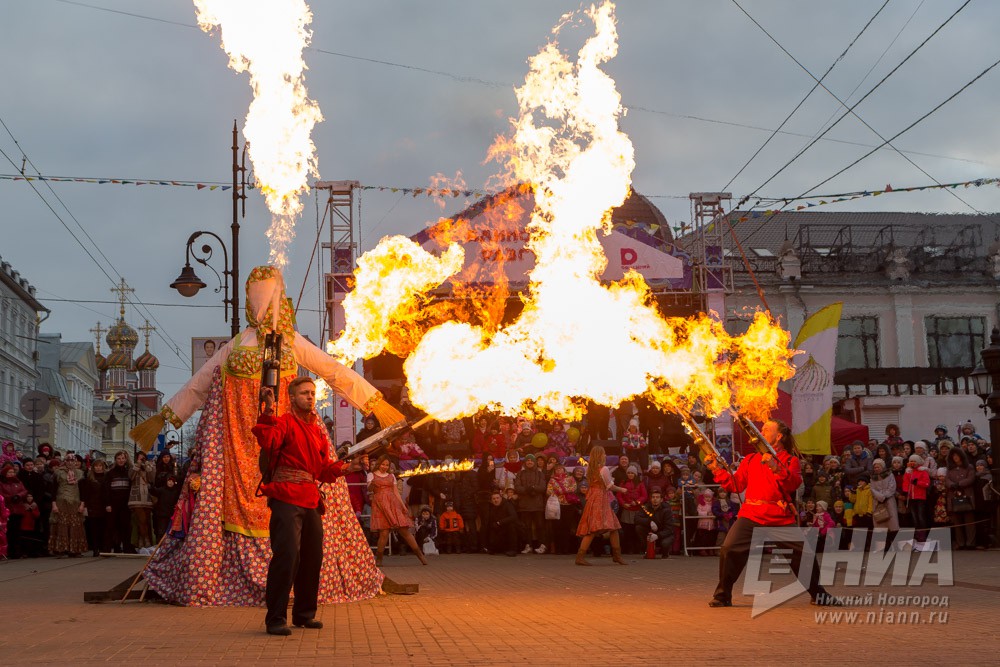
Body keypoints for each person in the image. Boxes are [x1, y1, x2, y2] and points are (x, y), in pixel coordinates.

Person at [133, 265, 397, 606]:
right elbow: (199, 384)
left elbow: (333, 372)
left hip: (284, 435)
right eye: (253, 298)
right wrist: (165, 417)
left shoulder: (290, 343)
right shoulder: (238, 344)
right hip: (237, 437)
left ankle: (301, 590)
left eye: (264, 297)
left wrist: (373, 402)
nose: (259, 306)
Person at [252, 377, 371, 635]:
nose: (309, 396)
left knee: (312, 557)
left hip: (310, 498)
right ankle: (275, 618)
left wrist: (351, 467)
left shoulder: (317, 430)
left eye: (312, 393)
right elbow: (268, 442)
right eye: (304, 393)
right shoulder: (284, 422)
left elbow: (322, 470)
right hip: (286, 496)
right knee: (287, 556)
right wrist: (269, 409)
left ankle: (304, 615)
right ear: (292, 397)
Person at [705, 420, 835, 607]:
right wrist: (716, 469)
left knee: (803, 553)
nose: (761, 430)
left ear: (779, 436)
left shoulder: (791, 460)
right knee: (729, 548)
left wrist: (775, 466)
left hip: (778, 516)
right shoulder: (750, 459)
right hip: (751, 513)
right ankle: (723, 595)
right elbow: (736, 485)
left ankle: (819, 594)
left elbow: (792, 484)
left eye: (767, 428)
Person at [368, 455, 428, 566]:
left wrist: (403, 506)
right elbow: (369, 490)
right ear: (378, 464)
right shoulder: (371, 475)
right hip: (380, 505)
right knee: (384, 533)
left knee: (404, 531)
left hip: (392, 504)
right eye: (383, 464)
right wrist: (372, 484)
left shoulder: (391, 476)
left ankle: (420, 555)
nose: (385, 467)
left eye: (387, 465)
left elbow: (395, 492)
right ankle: (379, 558)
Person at [575, 446, 628, 566]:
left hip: (592, 497)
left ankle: (582, 556)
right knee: (599, 528)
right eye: (604, 453)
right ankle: (616, 556)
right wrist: (622, 490)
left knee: (608, 527)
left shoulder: (590, 469)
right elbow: (610, 486)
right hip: (600, 498)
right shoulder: (603, 469)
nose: (605, 456)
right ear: (600, 455)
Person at [48, 455, 88, 558]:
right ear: (65, 461)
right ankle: (60, 549)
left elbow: (84, 491)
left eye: (72, 460)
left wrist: (82, 504)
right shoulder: (58, 473)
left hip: (75, 503)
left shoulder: (80, 474)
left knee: (76, 526)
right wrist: (54, 504)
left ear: (75, 462)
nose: (70, 462)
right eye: (68, 460)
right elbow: (53, 490)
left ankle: (75, 550)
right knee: (61, 525)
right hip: (61, 502)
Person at [514, 454, 547, 554]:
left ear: (535, 462)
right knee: (526, 526)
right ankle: (528, 545)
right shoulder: (520, 473)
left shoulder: (540, 474)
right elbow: (517, 487)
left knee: (540, 526)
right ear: (525, 462)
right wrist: (528, 490)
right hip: (524, 505)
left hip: (537, 504)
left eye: (531, 461)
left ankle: (542, 545)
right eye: (527, 460)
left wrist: (533, 488)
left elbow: (542, 487)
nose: (529, 462)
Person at [945, 448, 977, 550]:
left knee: (969, 521)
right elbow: (947, 480)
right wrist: (952, 485)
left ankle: (971, 543)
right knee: (957, 522)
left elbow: (971, 478)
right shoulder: (949, 469)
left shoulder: (969, 467)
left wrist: (959, 484)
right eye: (953, 456)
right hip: (954, 497)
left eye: (957, 455)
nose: (955, 457)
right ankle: (960, 543)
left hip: (966, 496)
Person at [616, 464, 648, 555]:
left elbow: (644, 496)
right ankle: (628, 549)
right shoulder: (623, 483)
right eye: (628, 473)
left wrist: (637, 502)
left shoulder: (640, 483)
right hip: (627, 510)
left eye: (632, 473)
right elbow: (619, 495)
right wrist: (623, 504)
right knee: (627, 531)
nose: (630, 474)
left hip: (637, 510)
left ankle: (638, 548)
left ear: (635, 474)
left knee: (636, 531)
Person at [635, 488, 675, 558]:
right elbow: (636, 518)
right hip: (650, 532)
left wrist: (658, 535)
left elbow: (669, 529)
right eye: (653, 497)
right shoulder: (646, 507)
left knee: (665, 543)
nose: (655, 499)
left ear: (661, 499)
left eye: (657, 497)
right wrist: (649, 522)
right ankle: (647, 550)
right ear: (650, 499)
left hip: (664, 534)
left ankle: (665, 553)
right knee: (639, 528)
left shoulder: (667, 510)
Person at [81, 459, 108, 557]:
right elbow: (85, 494)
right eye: (96, 466)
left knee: (103, 528)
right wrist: (85, 506)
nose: (98, 468)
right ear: (93, 468)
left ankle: (103, 548)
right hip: (93, 507)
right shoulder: (89, 479)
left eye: (100, 466)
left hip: (104, 507)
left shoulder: (106, 477)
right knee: (94, 529)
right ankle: (95, 549)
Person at [129, 451, 156, 549]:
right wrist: (137, 465)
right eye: (140, 458)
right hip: (136, 497)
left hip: (147, 497)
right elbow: (130, 477)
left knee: (145, 521)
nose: (141, 460)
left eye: (143, 458)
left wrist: (149, 468)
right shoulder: (133, 467)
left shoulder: (148, 468)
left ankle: (141, 539)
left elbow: (152, 479)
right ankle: (145, 539)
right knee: (141, 519)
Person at [902, 454, 931, 542]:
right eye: (911, 461)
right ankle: (917, 535)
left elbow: (926, 483)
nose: (913, 463)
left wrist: (917, 482)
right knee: (914, 517)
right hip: (911, 498)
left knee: (921, 517)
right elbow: (905, 483)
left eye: (914, 461)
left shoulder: (923, 471)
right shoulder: (908, 472)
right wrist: (906, 491)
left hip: (920, 497)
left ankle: (923, 535)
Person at [483, 490, 519, 556]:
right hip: (500, 530)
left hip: (511, 529)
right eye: (493, 499)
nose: (496, 500)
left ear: (501, 498)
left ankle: (513, 550)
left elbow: (514, 517)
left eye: (497, 498)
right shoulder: (492, 508)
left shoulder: (508, 504)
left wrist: (499, 522)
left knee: (511, 526)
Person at [150, 475, 182, 541]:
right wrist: (151, 486)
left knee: (170, 531)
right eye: (169, 481)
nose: (170, 483)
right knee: (161, 530)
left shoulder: (176, 492)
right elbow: (154, 491)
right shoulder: (162, 490)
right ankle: (160, 544)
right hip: (162, 514)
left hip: (171, 515)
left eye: (172, 482)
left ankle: (168, 544)